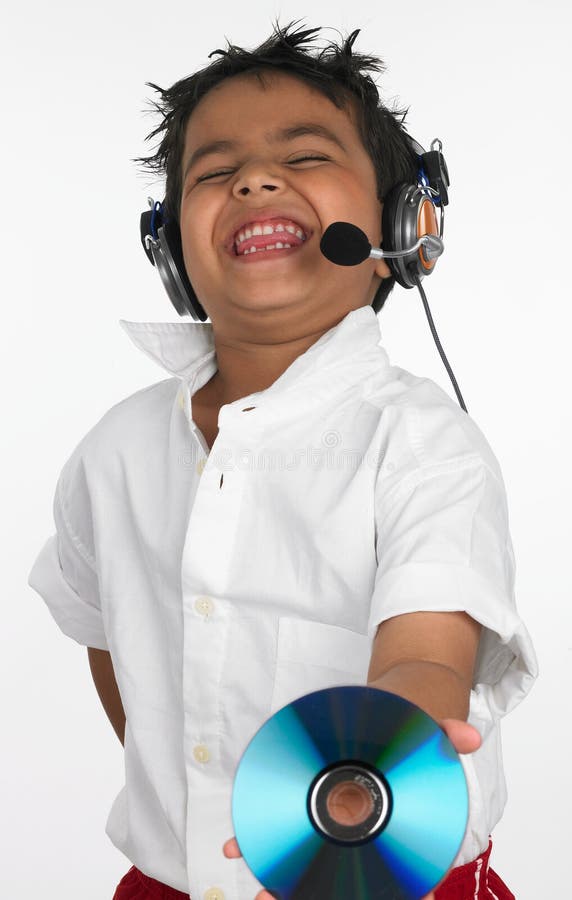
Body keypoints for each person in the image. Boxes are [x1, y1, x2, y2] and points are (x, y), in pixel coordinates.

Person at [27, 21, 537, 900]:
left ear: (401, 225)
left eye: (305, 158)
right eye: (215, 172)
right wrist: (189, 787)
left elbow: (427, 652)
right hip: (173, 882)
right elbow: (106, 634)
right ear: (170, 246)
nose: (256, 180)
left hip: (386, 871)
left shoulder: (422, 442)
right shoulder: (115, 450)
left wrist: (376, 756)